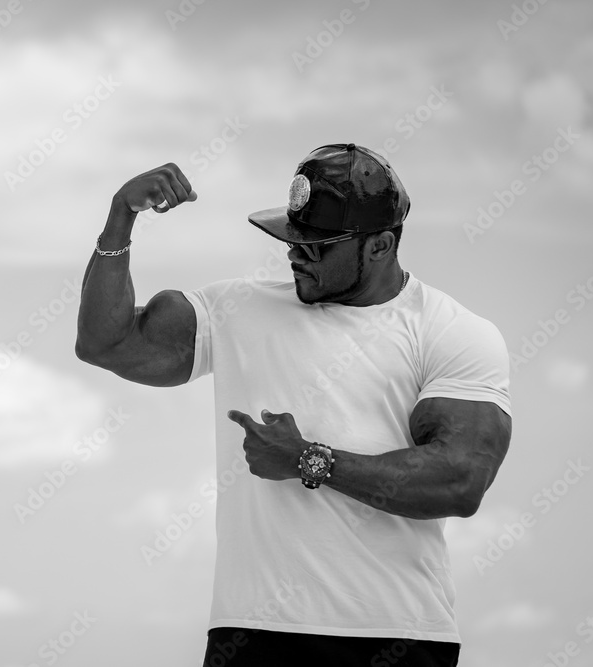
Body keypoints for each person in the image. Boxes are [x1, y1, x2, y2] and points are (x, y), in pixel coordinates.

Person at [75, 143, 512, 666]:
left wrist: (310, 460)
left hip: (398, 635)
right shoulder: (237, 308)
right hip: (251, 634)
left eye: (318, 245)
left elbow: (460, 480)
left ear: (380, 246)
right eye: (292, 238)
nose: (294, 253)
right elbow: (107, 343)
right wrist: (120, 218)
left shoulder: (451, 332)